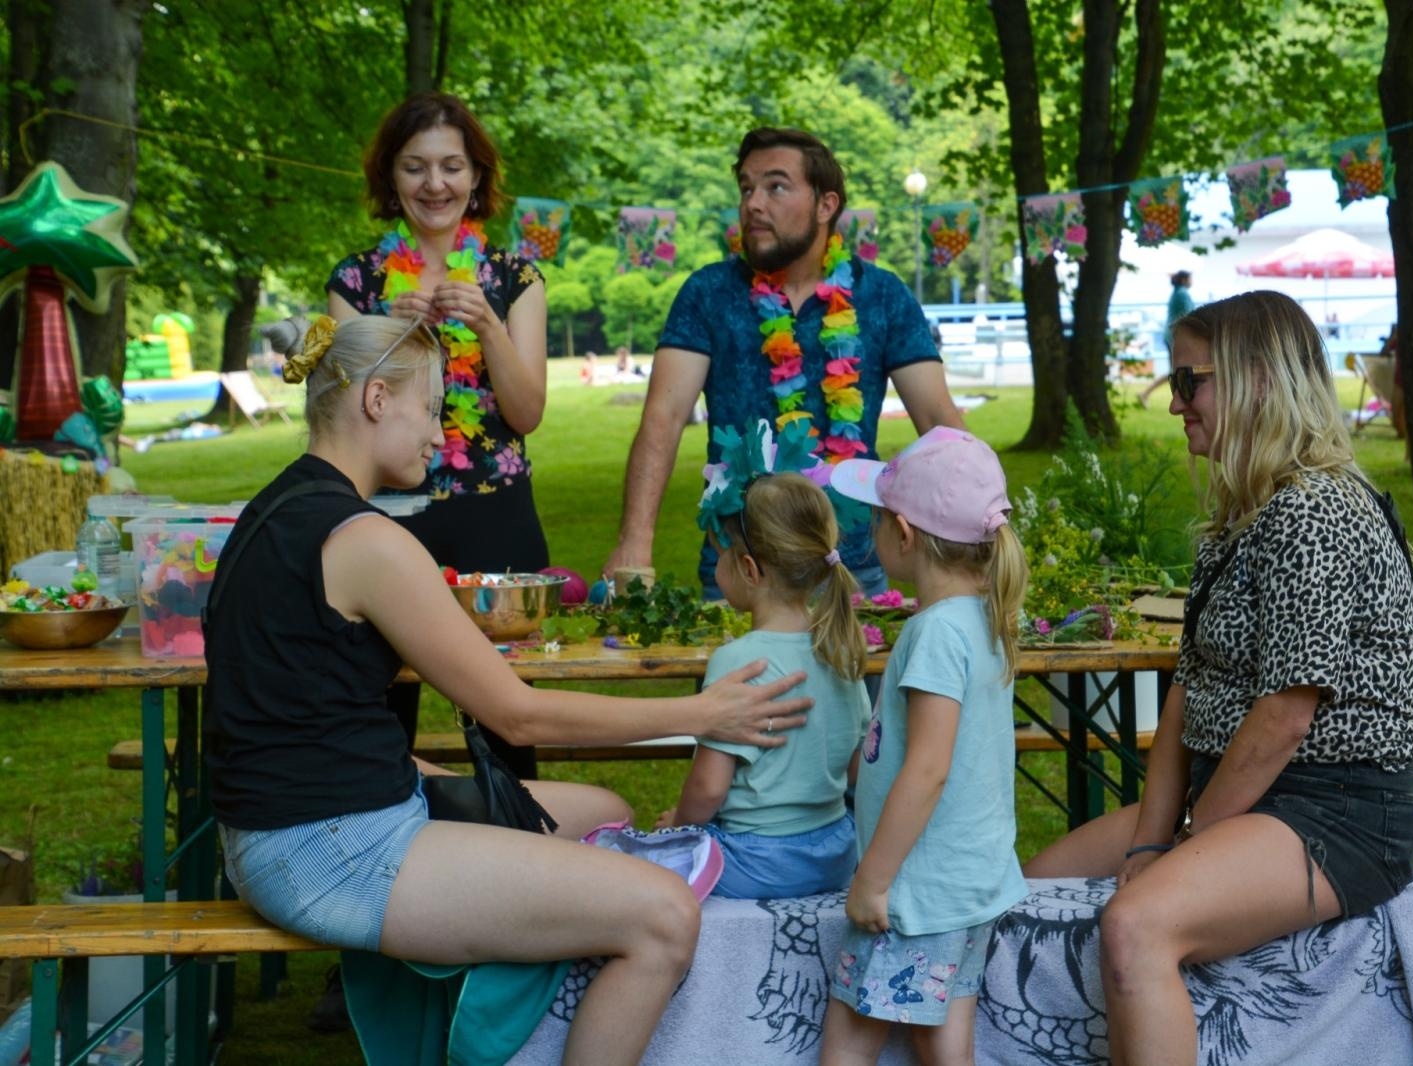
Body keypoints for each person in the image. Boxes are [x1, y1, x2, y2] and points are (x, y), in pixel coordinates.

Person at [203, 315, 813, 1064]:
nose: (440, 434)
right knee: (662, 915)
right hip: (327, 850)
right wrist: (703, 713)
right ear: (376, 399)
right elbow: (516, 713)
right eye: (432, 408)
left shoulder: (273, 508)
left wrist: (409, 776)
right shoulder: (367, 543)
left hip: (304, 820)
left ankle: (511, 1032)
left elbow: (292, 704)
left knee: (606, 815)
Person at [1024, 291, 1413, 1066]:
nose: (1175, 403)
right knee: (1029, 893)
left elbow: (1285, 714)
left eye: (1189, 382)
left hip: (1335, 812)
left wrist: (1187, 842)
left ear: (1258, 383)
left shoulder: (1315, 513)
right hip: (1244, 799)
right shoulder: (1245, 517)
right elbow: (1189, 690)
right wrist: (1149, 841)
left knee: (1134, 925)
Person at [604, 127, 967, 603]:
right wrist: (635, 543)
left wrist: (981, 538)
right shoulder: (708, 293)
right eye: (747, 188)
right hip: (739, 573)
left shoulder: (881, 295)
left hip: (851, 572)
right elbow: (664, 418)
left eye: (775, 186)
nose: (753, 203)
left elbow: (938, 421)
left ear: (825, 205)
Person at [326, 91, 550, 778]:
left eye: (452, 167)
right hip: (387, 520)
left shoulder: (516, 278)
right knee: (377, 717)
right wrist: (384, 334)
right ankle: (393, 856)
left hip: (496, 521)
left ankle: (521, 860)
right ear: (390, 178)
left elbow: (527, 413)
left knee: (508, 718)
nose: (435, 185)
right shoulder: (355, 281)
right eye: (415, 167)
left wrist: (486, 326)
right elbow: (330, 402)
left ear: (477, 177)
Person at [819, 427, 1030, 1063]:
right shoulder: (984, 618)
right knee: (944, 1046)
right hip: (969, 885)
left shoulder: (936, 631)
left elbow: (930, 767)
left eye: (879, 519)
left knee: (847, 1043)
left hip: (917, 891)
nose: (874, 533)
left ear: (904, 535)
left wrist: (873, 881)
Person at [659, 445, 870, 900]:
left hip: (755, 860)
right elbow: (857, 767)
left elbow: (709, 787)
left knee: (628, 866)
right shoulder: (841, 647)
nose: (717, 568)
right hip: (836, 852)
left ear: (750, 569)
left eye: (721, 555)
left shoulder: (739, 661)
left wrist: (678, 822)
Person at [1137, 270, 1196, 407]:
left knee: (1177, 371)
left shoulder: (1177, 293)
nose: (1192, 281)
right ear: (1184, 280)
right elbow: (1191, 315)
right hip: (1176, 337)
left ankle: (1147, 393)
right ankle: (1147, 393)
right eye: (1190, 278)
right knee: (1178, 371)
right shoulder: (1182, 294)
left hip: (1172, 336)